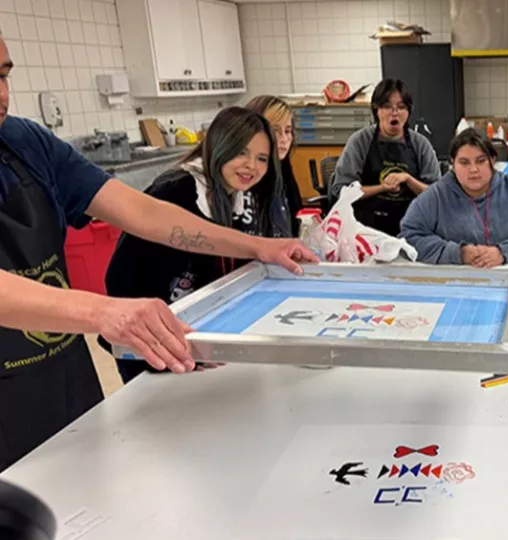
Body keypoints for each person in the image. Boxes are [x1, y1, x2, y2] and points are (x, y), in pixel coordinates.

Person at [0, 37, 316, 472]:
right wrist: (106, 313)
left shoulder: (26, 142)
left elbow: (143, 213)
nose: (2, 93)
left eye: (3, 74)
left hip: (62, 373)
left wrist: (260, 246)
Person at [103, 106, 293, 383]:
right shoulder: (176, 192)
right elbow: (122, 277)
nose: (251, 166)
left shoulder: (237, 195)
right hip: (152, 345)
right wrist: (160, 341)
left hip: (194, 337)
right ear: (219, 146)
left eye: (262, 158)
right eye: (241, 152)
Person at [399, 129, 508, 267]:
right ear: (453, 164)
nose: (473, 170)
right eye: (464, 162)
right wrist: (458, 253)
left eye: (481, 161)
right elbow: (408, 238)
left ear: (492, 161)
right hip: (454, 281)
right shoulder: (435, 196)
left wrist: (504, 252)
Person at [330, 78, 441, 237]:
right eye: (387, 106)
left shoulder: (420, 144)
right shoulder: (360, 141)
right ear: (376, 110)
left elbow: (436, 194)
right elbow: (341, 190)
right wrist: (382, 187)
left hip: (411, 228)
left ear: (408, 111)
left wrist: (408, 179)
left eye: (401, 107)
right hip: (364, 229)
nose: (394, 112)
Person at [245, 95, 302, 234]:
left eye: (288, 131)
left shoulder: (283, 168)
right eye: (275, 131)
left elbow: (296, 220)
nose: (284, 139)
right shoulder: (243, 176)